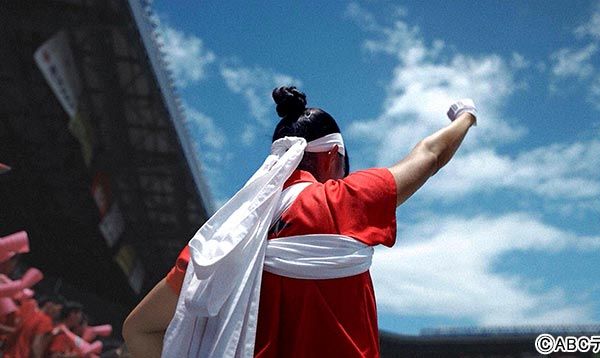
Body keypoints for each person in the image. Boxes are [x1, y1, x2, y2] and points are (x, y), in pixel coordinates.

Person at [123, 86, 477, 357]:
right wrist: (465, 116)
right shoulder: (344, 200)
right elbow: (430, 155)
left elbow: (138, 330)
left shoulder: (224, 239)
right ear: (333, 156)